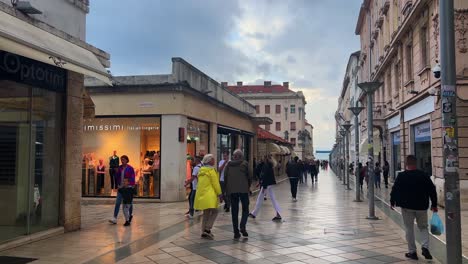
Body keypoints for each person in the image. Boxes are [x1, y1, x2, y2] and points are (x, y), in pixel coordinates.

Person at [390, 155, 437, 261]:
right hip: (422, 207)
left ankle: (412, 252)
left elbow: (395, 189)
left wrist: (392, 202)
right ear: (416, 163)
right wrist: (434, 205)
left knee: (409, 228)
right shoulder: (424, 175)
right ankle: (425, 247)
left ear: (406, 164)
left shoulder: (401, 176)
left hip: (407, 207)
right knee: (423, 227)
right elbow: (432, 190)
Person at [224, 149, 251, 239]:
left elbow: (225, 177)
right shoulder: (245, 164)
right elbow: (250, 176)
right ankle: (242, 225)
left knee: (234, 211)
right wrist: (248, 186)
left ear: (234, 156)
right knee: (245, 209)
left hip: (232, 190)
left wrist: (226, 190)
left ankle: (236, 232)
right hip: (243, 189)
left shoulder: (228, 165)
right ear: (241, 156)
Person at [194, 154, 222, 239]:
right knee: (215, 211)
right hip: (210, 195)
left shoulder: (201, 170)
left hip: (202, 195)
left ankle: (203, 232)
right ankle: (207, 229)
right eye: (213, 159)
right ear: (209, 161)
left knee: (206, 213)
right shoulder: (211, 171)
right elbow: (215, 183)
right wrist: (220, 194)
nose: (214, 161)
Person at [249, 155, 282, 221]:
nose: (262, 159)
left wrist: (264, 186)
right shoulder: (269, 165)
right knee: (272, 199)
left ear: (266, 159)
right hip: (269, 184)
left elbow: (264, 176)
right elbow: (264, 176)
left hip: (267, 184)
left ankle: (254, 214)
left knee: (260, 199)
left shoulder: (266, 165)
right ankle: (278, 214)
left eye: (263, 158)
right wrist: (260, 183)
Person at [109, 155, 135, 224]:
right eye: (121, 159)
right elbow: (116, 178)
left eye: (123, 159)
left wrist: (129, 183)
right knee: (117, 202)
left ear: (127, 160)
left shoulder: (130, 168)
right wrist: (116, 172)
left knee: (129, 203)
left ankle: (130, 215)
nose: (122, 161)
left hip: (127, 189)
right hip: (120, 188)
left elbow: (133, 178)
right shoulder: (119, 168)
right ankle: (114, 218)